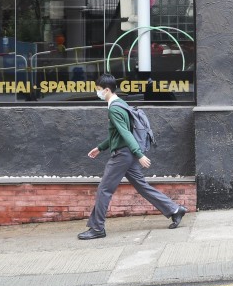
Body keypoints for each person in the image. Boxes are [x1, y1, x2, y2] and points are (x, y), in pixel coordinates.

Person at [77, 73, 187, 239]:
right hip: (127, 153)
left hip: (122, 155)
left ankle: (97, 228)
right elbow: (117, 134)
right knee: (142, 186)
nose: (97, 93)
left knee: (104, 190)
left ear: (106, 90)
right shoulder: (121, 103)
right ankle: (175, 210)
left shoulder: (114, 108)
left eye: (99, 90)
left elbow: (126, 133)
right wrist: (100, 148)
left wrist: (139, 154)